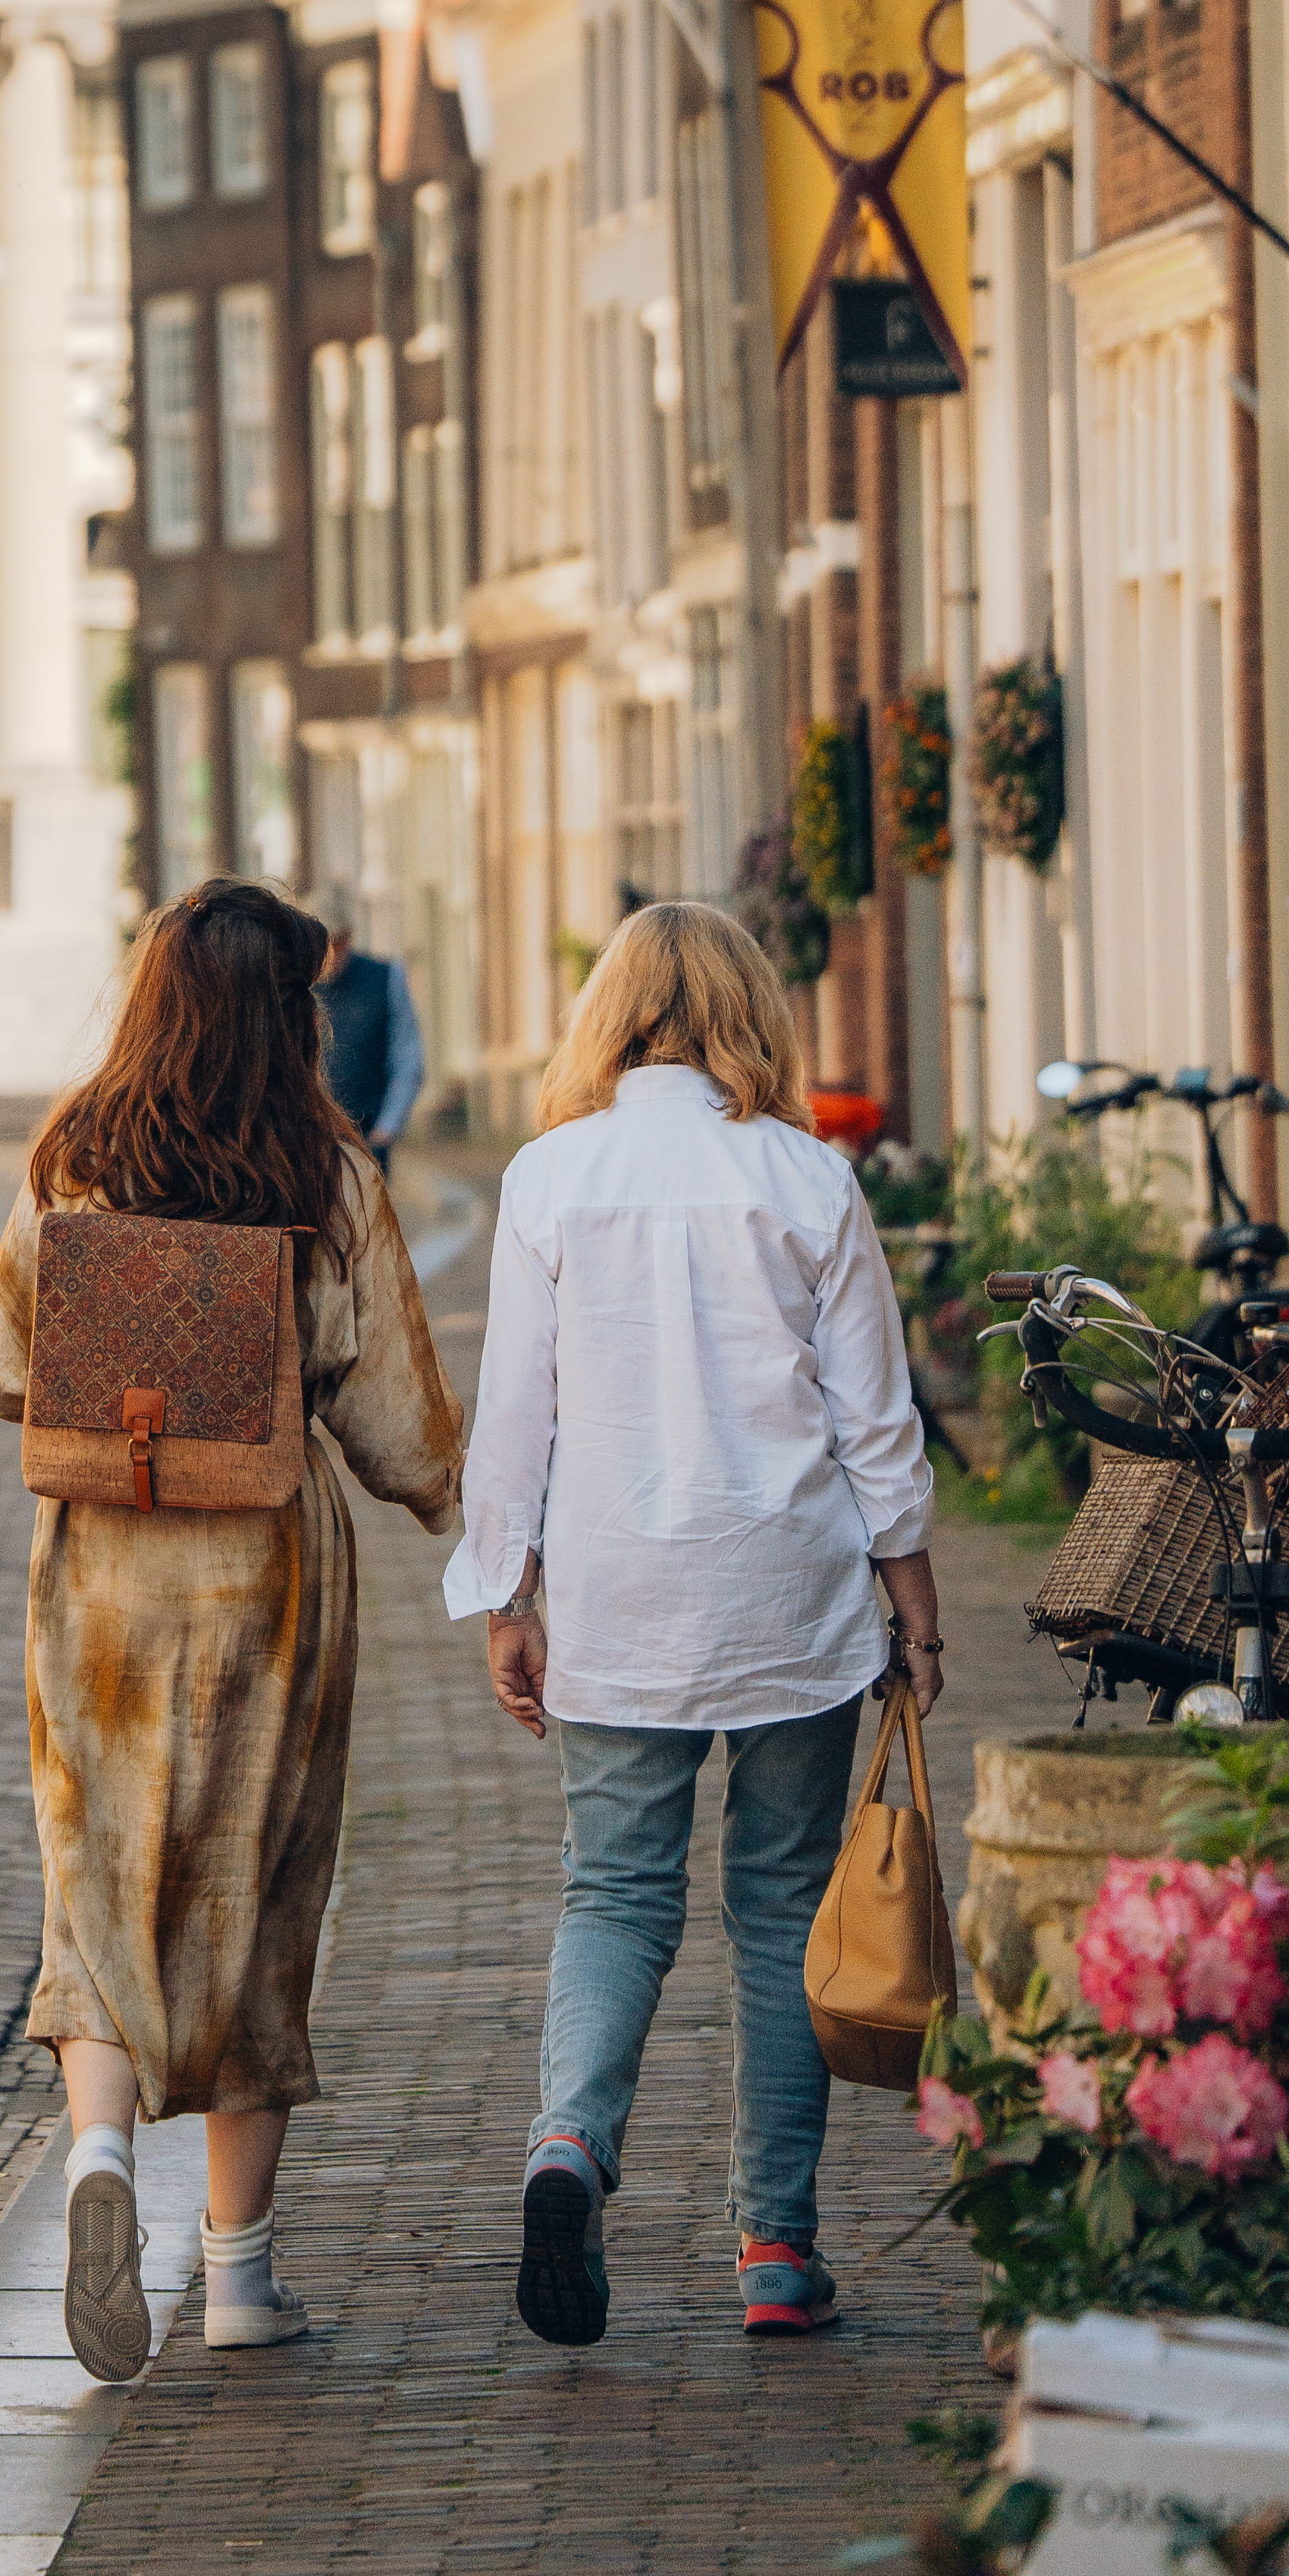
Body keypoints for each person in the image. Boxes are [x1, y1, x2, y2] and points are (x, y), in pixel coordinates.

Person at [0, 882, 464, 2386]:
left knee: (97, 1883)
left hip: (103, 1569)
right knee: (259, 1883)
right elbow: (394, 1413)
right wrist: (472, 1520)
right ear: (290, 1009)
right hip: (264, 1579)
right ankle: (238, 2278)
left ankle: (98, 2161)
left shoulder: (74, 1150)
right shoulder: (323, 1164)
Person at [443, 896, 938, 2352]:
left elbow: (514, 1419)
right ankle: (776, 2247)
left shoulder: (548, 1177)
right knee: (783, 1906)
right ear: (752, 1015)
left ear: (607, 1021)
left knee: (614, 1892)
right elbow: (875, 1419)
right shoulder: (805, 1179)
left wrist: (506, 1595)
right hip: (788, 1593)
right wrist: (911, 1597)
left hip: (615, 1595)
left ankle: (565, 2148)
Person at [316, 929, 426, 1165]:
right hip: (310, 1142)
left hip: (369, 1138)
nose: (331, 953)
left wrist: (387, 1128)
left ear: (347, 939)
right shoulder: (295, 982)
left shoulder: (384, 978)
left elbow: (407, 1056)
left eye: (337, 943)